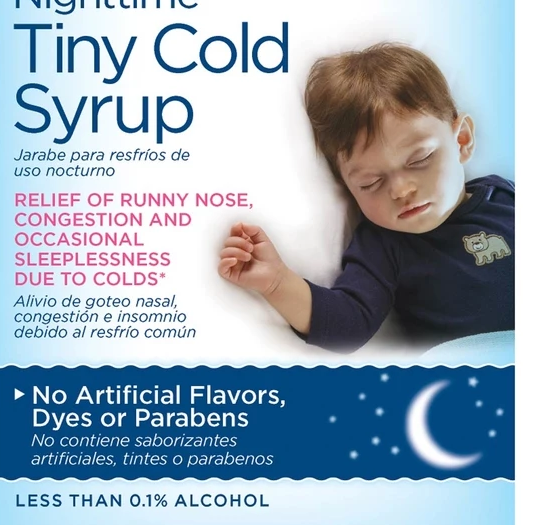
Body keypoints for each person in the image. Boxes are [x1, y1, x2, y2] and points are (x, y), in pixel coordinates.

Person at [217, 43, 514, 352]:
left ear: (462, 140)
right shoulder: (384, 245)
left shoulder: (506, 197)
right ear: (347, 186)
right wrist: (277, 282)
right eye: (371, 183)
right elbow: (347, 325)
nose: (401, 190)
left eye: (419, 159)